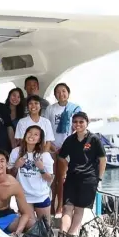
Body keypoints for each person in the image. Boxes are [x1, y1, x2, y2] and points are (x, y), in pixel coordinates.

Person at [58, 112, 106, 237]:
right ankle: (62, 236)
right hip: (72, 177)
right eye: (75, 122)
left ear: (87, 123)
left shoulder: (94, 139)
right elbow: (61, 156)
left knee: (79, 208)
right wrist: (68, 167)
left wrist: (99, 179)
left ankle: (71, 236)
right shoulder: (69, 140)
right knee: (67, 207)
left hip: (88, 179)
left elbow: (103, 159)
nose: (78, 124)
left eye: (81, 122)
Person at [43, 83, 81, 216]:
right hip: (53, 148)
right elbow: (46, 128)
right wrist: (52, 146)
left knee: (64, 178)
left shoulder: (75, 108)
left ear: (68, 93)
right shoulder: (50, 109)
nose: (61, 94)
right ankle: (52, 205)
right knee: (53, 179)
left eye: (64, 91)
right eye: (58, 92)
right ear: (55, 95)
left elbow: (78, 128)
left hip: (69, 148)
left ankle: (62, 206)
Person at [8, 125, 54, 220]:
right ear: (25, 135)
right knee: (30, 226)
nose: (31, 135)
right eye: (29, 132)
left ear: (39, 139)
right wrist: (16, 166)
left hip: (41, 196)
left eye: (36, 134)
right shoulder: (16, 152)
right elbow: (9, 176)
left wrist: (42, 169)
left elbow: (50, 178)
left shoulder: (45, 155)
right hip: (23, 196)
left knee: (45, 228)